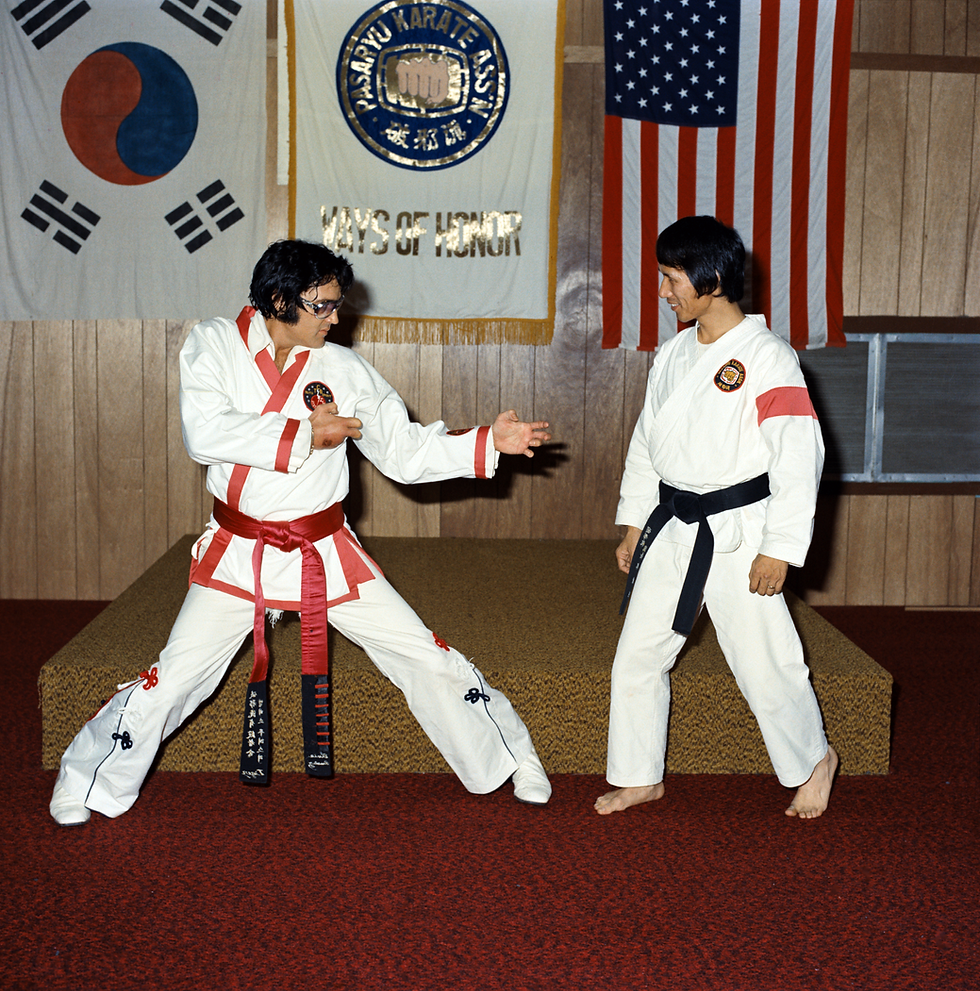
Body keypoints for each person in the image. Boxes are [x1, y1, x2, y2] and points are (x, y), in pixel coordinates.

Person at [50, 239, 553, 827]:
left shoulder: (341, 368)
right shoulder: (212, 344)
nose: (337, 319)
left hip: (324, 549)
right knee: (174, 677)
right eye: (325, 306)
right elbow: (204, 432)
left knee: (422, 653)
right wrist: (301, 436)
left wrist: (487, 443)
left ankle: (512, 756)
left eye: (338, 305)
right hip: (242, 551)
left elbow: (404, 451)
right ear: (281, 300)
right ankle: (85, 777)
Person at [594, 215, 838, 820]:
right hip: (673, 524)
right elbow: (646, 442)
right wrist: (633, 522)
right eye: (663, 277)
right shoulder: (673, 353)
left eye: (672, 278)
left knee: (764, 659)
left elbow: (798, 456)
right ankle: (638, 774)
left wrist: (780, 546)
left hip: (739, 530)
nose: (663, 291)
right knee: (638, 653)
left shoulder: (768, 357)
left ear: (713, 277)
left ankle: (815, 760)